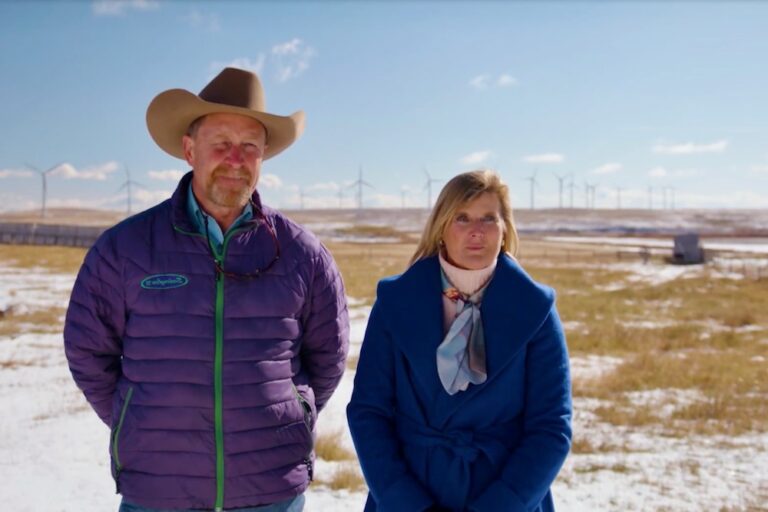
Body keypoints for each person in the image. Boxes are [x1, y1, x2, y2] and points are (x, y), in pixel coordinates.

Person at [64, 67, 349, 512]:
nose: (236, 158)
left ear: (264, 156)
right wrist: (135, 419)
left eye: (250, 146)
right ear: (189, 149)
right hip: (158, 491)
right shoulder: (124, 249)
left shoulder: (303, 255)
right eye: (221, 143)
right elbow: (87, 351)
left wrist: (293, 411)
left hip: (270, 490)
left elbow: (328, 357)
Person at [347, 170, 572, 512]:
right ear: (441, 227)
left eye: (489, 218)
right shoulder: (395, 303)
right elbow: (368, 412)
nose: (476, 231)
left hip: (507, 496)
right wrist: (406, 501)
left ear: (505, 229)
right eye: (462, 218)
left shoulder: (536, 310)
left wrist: (501, 505)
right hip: (409, 494)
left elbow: (552, 427)